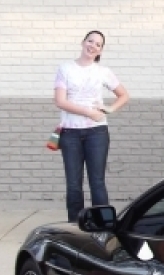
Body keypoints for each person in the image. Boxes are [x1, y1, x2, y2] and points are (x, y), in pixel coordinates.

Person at [54, 30, 130, 222]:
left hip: (97, 133)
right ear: (83, 42)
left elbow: (124, 95)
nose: (93, 46)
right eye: (90, 41)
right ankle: (74, 226)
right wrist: (89, 112)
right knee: (73, 184)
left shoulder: (103, 72)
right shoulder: (65, 68)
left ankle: (103, 226)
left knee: (97, 182)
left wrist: (109, 109)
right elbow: (60, 101)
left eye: (98, 44)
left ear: (100, 50)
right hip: (70, 133)